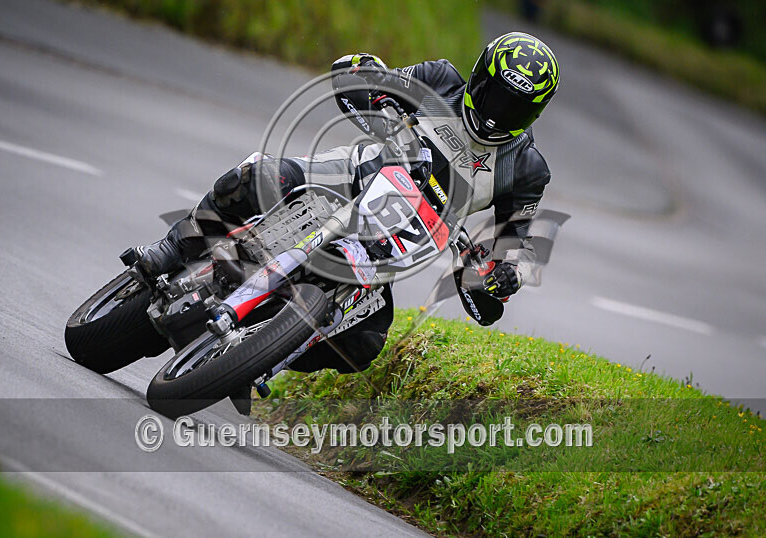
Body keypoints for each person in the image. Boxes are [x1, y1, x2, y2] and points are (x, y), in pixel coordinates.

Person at [132, 31, 559, 375]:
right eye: (497, 96)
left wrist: (507, 274)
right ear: (479, 77)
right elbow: (365, 81)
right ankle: (172, 248)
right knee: (252, 179)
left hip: (399, 238)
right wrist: (374, 85)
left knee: (364, 343)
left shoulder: (527, 169)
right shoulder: (442, 79)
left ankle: (266, 349)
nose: (499, 114)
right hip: (348, 176)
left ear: (534, 114)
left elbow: (513, 239)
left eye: (516, 108)